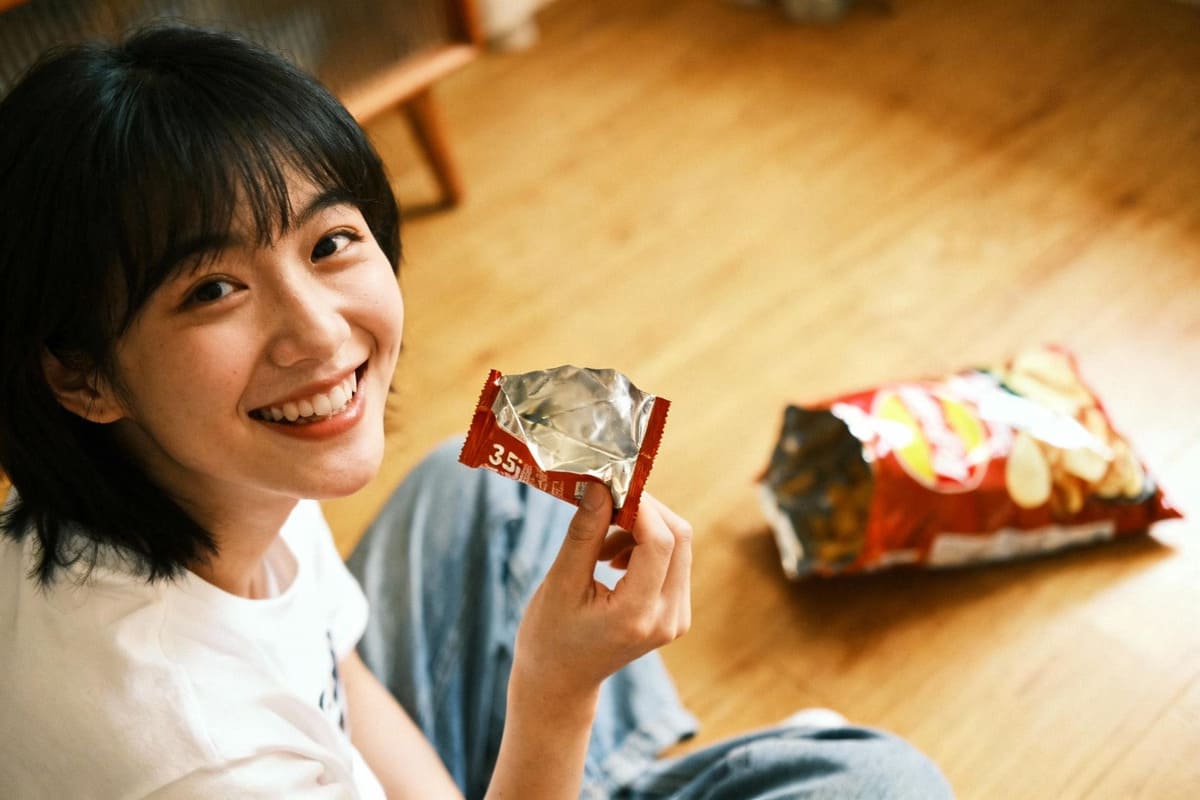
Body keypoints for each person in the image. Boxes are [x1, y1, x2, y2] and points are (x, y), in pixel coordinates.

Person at [0, 26, 953, 800]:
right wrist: (555, 695)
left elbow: (336, 675)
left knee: (495, 491)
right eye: (212, 290)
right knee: (883, 785)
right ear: (83, 378)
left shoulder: (215, 482)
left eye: (330, 241)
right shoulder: (198, 759)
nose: (319, 333)